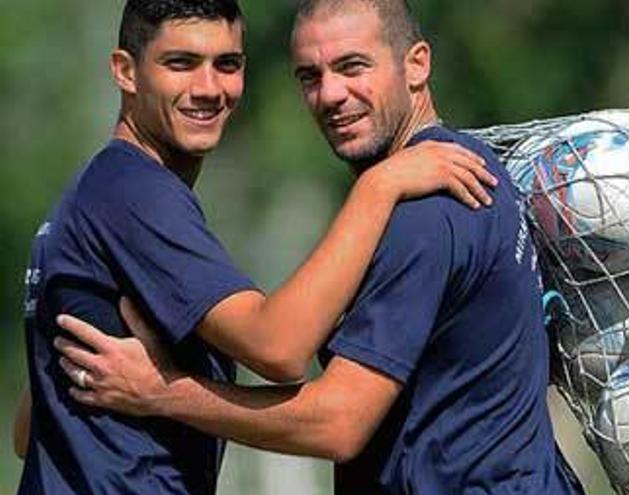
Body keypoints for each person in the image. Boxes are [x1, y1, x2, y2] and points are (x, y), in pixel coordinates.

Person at [53, 0, 586, 493]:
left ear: (417, 64)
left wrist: (162, 393)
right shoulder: (471, 163)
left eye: (353, 67)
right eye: (310, 76)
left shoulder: (425, 208)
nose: (330, 95)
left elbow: (334, 419)